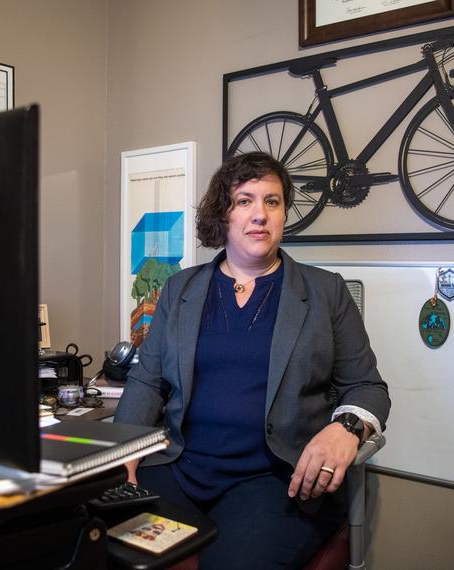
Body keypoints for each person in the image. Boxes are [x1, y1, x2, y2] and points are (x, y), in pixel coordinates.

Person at [114, 151, 390, 569]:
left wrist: (347, 428)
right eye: (244, 201)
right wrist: (122, 458)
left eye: (272, 201)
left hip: (274, 480)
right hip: (180, 467)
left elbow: (368, 386)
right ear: (222, 213)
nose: (259, 214)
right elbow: (147, 380)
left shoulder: (325, 292)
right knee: (91, 534)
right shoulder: (180, 289)